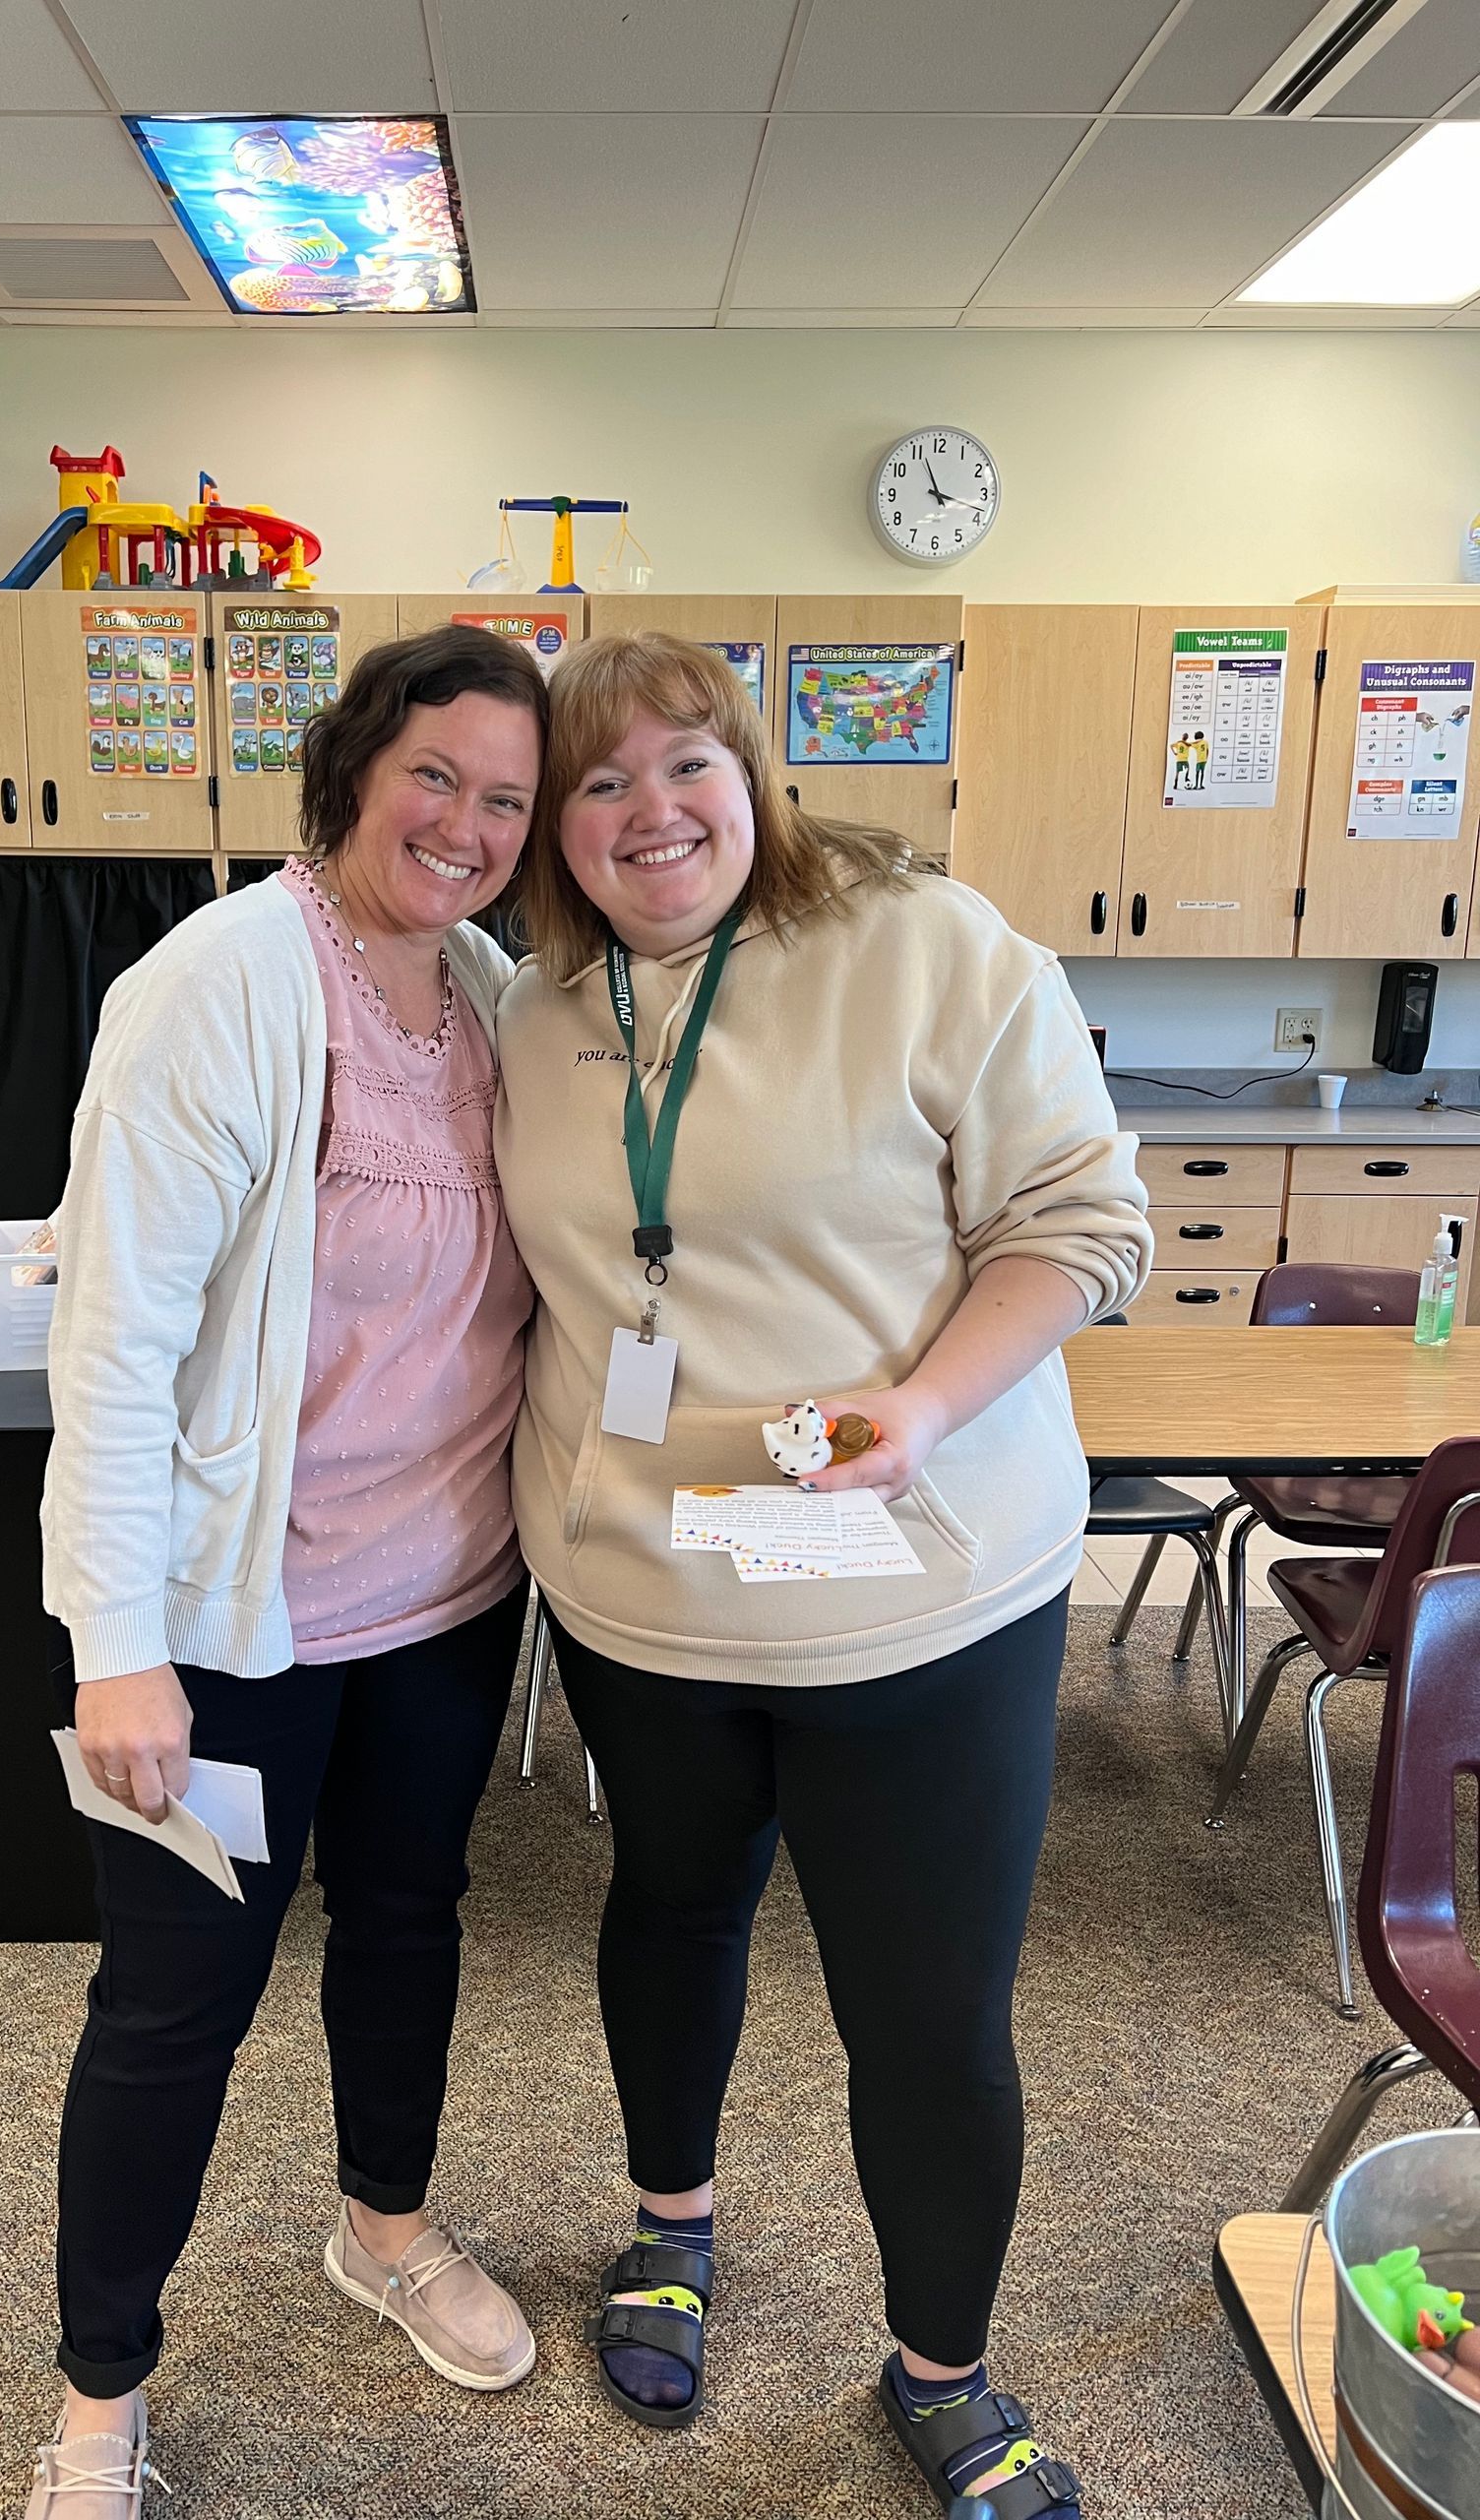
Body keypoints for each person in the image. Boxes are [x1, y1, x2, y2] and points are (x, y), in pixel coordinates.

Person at [494, 632, 1151, 2517]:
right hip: (650, 1585)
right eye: (599, 784)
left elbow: (1085, 1223)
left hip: (913, 1589)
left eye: (686, 763)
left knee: (925, 2007)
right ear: (556, 831)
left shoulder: (929, 947)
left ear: (756, 773)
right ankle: (670, 2229)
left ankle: (942, 2366)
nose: (650, 814)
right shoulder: (536, 1004)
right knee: (671, 1915)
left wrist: (929, 1405)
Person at [28, 626, 548, 2517]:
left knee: (410, 1925)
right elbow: (118, 1342)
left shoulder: (492, 992)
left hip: (444, 1594)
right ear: (353, 769)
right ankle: (100, 2398)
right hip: (234, 1617)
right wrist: (118, 1644)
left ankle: (384, 2228)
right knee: (178, 1998)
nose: (468, 825)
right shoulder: (218, 989)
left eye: (505, 798)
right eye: (438, 778)